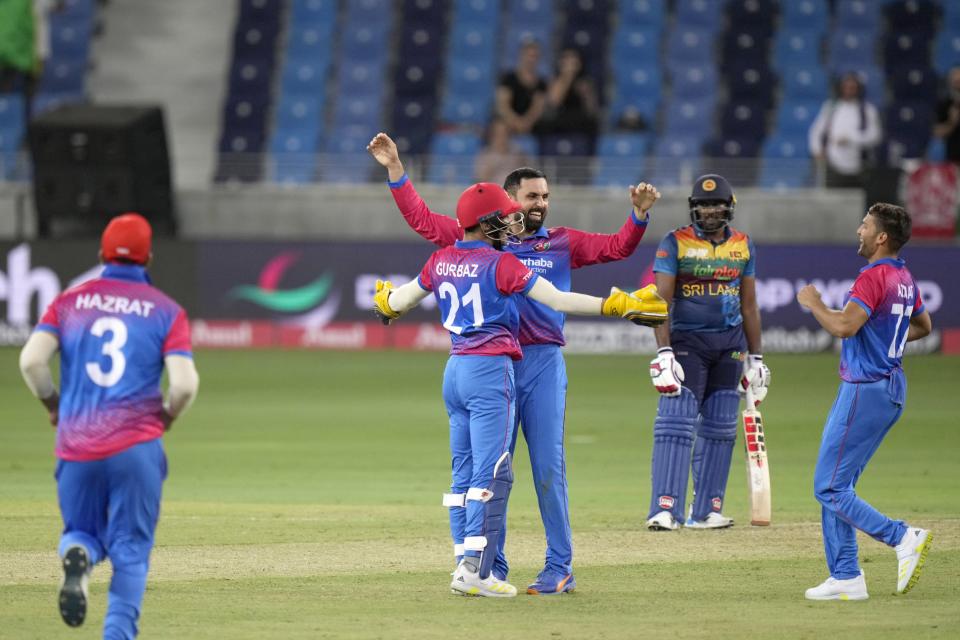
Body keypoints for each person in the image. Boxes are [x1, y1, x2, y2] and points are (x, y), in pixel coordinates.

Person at [367, 131, 658, 595]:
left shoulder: (561, 242)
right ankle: (491, 566)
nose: (540, 204)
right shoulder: (482, 241)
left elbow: (617, 248)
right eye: (531, 196)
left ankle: (558, 566)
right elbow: (421, 220)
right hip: (496, 365)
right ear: (509, 201)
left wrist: (638, 216)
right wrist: (397, 172)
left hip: (539, 362)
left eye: (545, 196)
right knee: (494, 468)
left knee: (546, 469)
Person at [18, 212, 199, 636]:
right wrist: (167, 416)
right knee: (131, 550)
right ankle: (117, 633)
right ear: (149, 258)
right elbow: (186, 385)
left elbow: (31, 361)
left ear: (101, 254)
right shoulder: (166, 312)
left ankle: (78, 555)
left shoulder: (68, 301)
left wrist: (53, 404)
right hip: (137, 446)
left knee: (80, 530)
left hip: (76, 441)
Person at [797, 202, 933, 601]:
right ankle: (846, 577)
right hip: (889, 387)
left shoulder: (873, 277)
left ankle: (902, 537)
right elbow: (924, 326)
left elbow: (844, 325)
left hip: (865, 389)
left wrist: (814, 304)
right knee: (839, 482)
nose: (858, 230)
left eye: (865, 225)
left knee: (829, 487)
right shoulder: (903, 276)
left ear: (881, 237)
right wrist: (884, 338)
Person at [646, 174, 769, 531]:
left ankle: (706, 509)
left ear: (729, 207)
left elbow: (749, 306)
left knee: (720, 427)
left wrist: (757, 357)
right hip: (687, 344)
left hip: (729, 346)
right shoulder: (675, 243)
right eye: (701, 205)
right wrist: (664, 352)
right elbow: (660, 303)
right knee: (676, 425)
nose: (709, 210)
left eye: (715, 204)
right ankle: (665, 507)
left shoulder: (744, 246)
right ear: (693, 208)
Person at [808, 72, 882, 189]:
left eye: (852, 88)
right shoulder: (831, 107)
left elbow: (875, 135)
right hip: (834, 166)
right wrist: (817, 150)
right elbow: (816, 131)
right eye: (846, 87)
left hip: (859, 167)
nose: (849, 91)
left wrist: (851, 139)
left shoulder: (867, 110)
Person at [537, 47, 599, 146]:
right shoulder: (555, 80)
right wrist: (568, 77)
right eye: (567, 60)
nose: (570, 64)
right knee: (543, 125)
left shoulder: (585, 81)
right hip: (560, 117)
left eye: (573, 60)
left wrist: (586, 95)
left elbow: (591, 110)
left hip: (579, 117)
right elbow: (554, 102)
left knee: (593, 124)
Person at [496, 39, 547, 136]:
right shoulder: (508, 79)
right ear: (521, 56)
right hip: (510, 122)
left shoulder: (541, 83)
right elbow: (503, 106)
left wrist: (526, 123)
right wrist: (517, 122)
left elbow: (537, 109)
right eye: (529, 55)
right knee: (500, 126)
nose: (531, 60)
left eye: (535, 56)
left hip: (531, 125)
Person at [474, 117, 531, 184]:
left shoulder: (518, 153)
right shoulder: (485, 155)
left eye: (505, 133)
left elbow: (529, 176)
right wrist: (492, 167)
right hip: (493, 191)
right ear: (492, 136)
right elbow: (479, 181)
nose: (502, 137)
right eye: (498, 134)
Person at [933, 65, 960, 166]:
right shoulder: (944, 105)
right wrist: (952, 122)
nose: (958, 81)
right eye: (955, 78)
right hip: (953, 160)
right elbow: (937, 133)